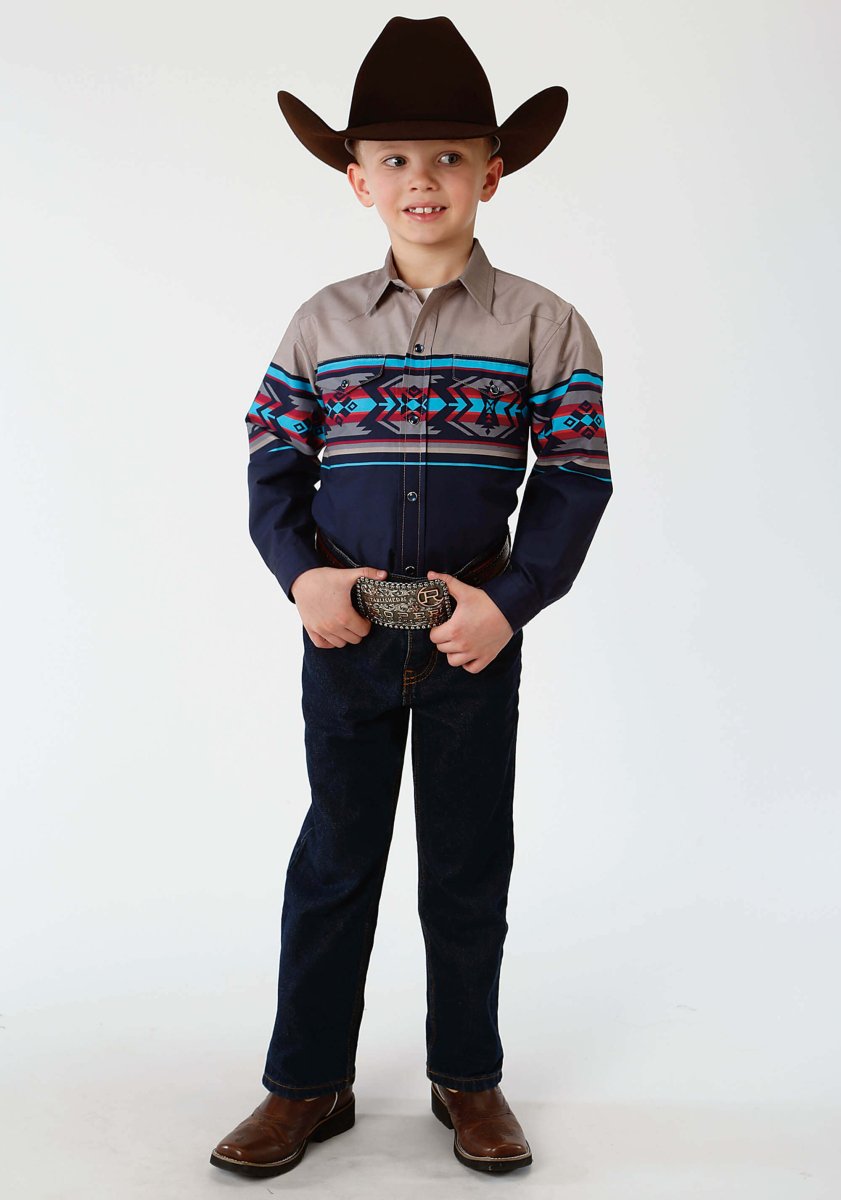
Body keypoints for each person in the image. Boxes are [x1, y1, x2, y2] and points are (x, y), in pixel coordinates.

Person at [210, 15, 613, 1180]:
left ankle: (466, 1076)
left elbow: (576, 476)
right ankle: (307, 1082)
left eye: (447, 156)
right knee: (335, 858)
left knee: (466, 862)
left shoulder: (542, 323)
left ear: (493, 172)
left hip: (470, 636)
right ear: (356, 179)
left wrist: (511, 600)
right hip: (347, 631)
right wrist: (305, 578)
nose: (420, 179)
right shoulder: (321, 324)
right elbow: (271, 466)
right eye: (393, 158)